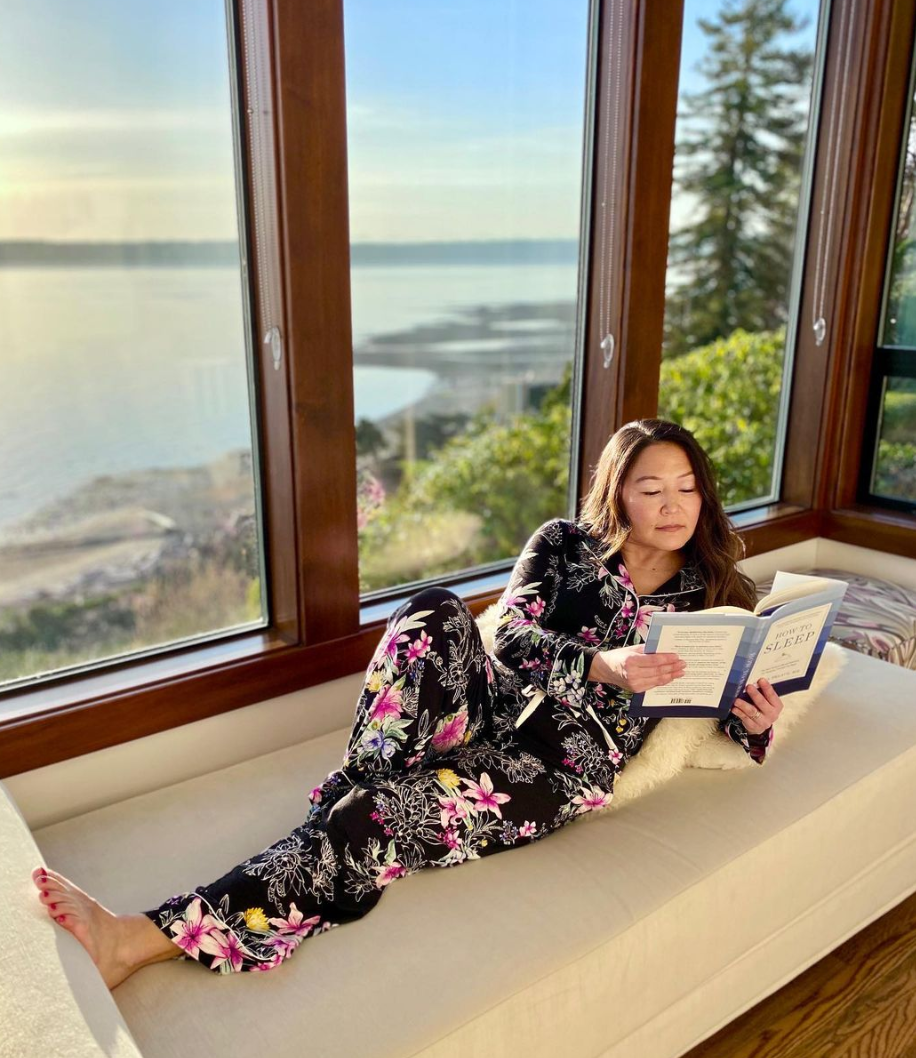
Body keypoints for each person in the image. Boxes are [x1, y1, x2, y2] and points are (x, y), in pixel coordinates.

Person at [31, 418, 783, 987]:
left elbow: (717, 703)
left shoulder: (718, 593)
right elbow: (510, 636)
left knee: (371, 823)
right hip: (488, 700)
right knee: (434, 608)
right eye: (651, 487)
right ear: (618, 491)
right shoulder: (564, 546)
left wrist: (755, 722)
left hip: (554, 766)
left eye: (686, 486)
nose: (672, 504)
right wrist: (601, 665)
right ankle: (368, 778)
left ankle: (140, 937)